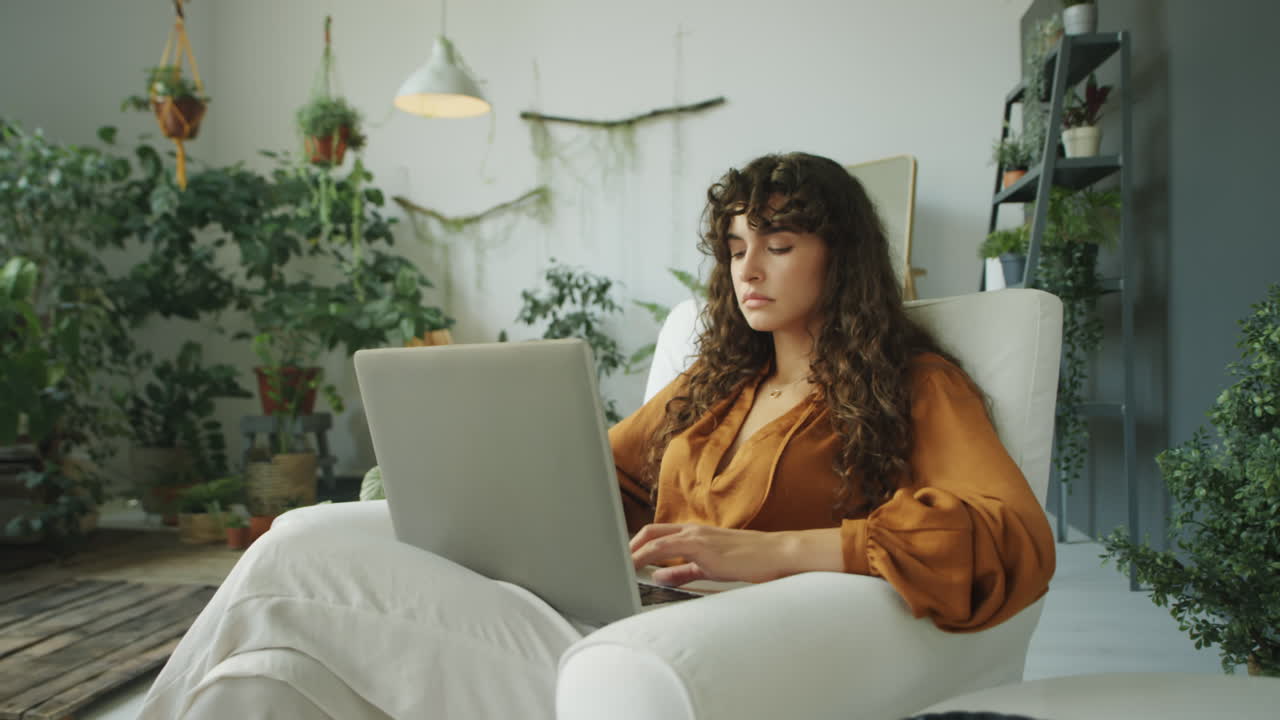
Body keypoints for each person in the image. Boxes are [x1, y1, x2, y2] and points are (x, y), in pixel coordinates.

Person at [139, 152, 1054, 719]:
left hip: (679, 656)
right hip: (602, 607)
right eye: (736, 247)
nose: (749, 268)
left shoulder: (913, 385)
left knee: (297, 549)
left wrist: (768, 552)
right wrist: (464, 481)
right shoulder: (715, 384)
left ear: (838, 255)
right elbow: (594, 480)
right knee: (255, 678)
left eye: (777, 243)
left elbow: (1007, 535)